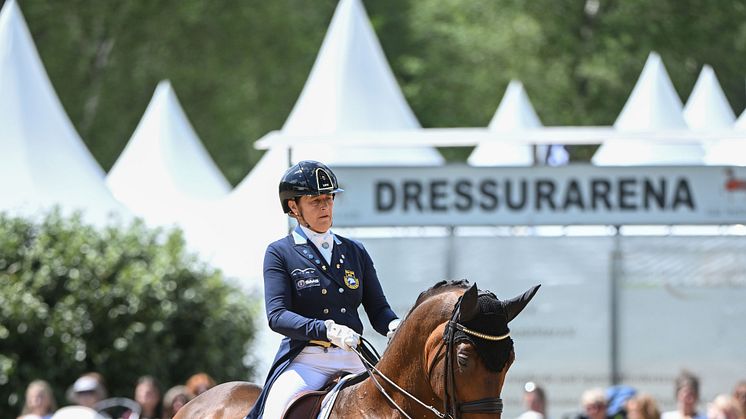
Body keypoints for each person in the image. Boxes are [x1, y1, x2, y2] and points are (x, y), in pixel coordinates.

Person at [246, 160, 400, 419]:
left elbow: (378, 309)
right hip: (307, 361)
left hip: (353, 357)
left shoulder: (354, 251)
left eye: (329, 199)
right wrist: (326, 329)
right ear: (294, 207)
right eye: (315, 200)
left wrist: (394, 325)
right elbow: (277, 315)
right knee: (273, 413)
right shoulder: (280, 253)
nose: (325, 206)